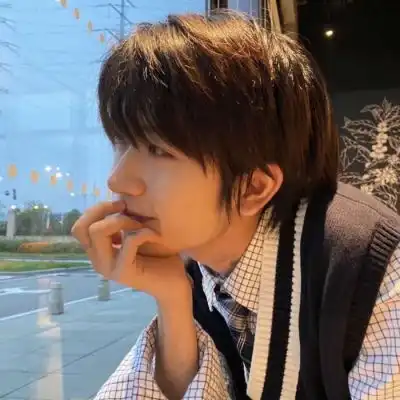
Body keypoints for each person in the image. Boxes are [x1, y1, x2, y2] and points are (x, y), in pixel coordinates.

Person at [71, 11, 400, 400]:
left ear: (253, 188)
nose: (117, 180)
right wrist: (172, 298)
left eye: (159, 150)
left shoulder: (372, 269)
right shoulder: (197, 264)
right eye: (121, 142)